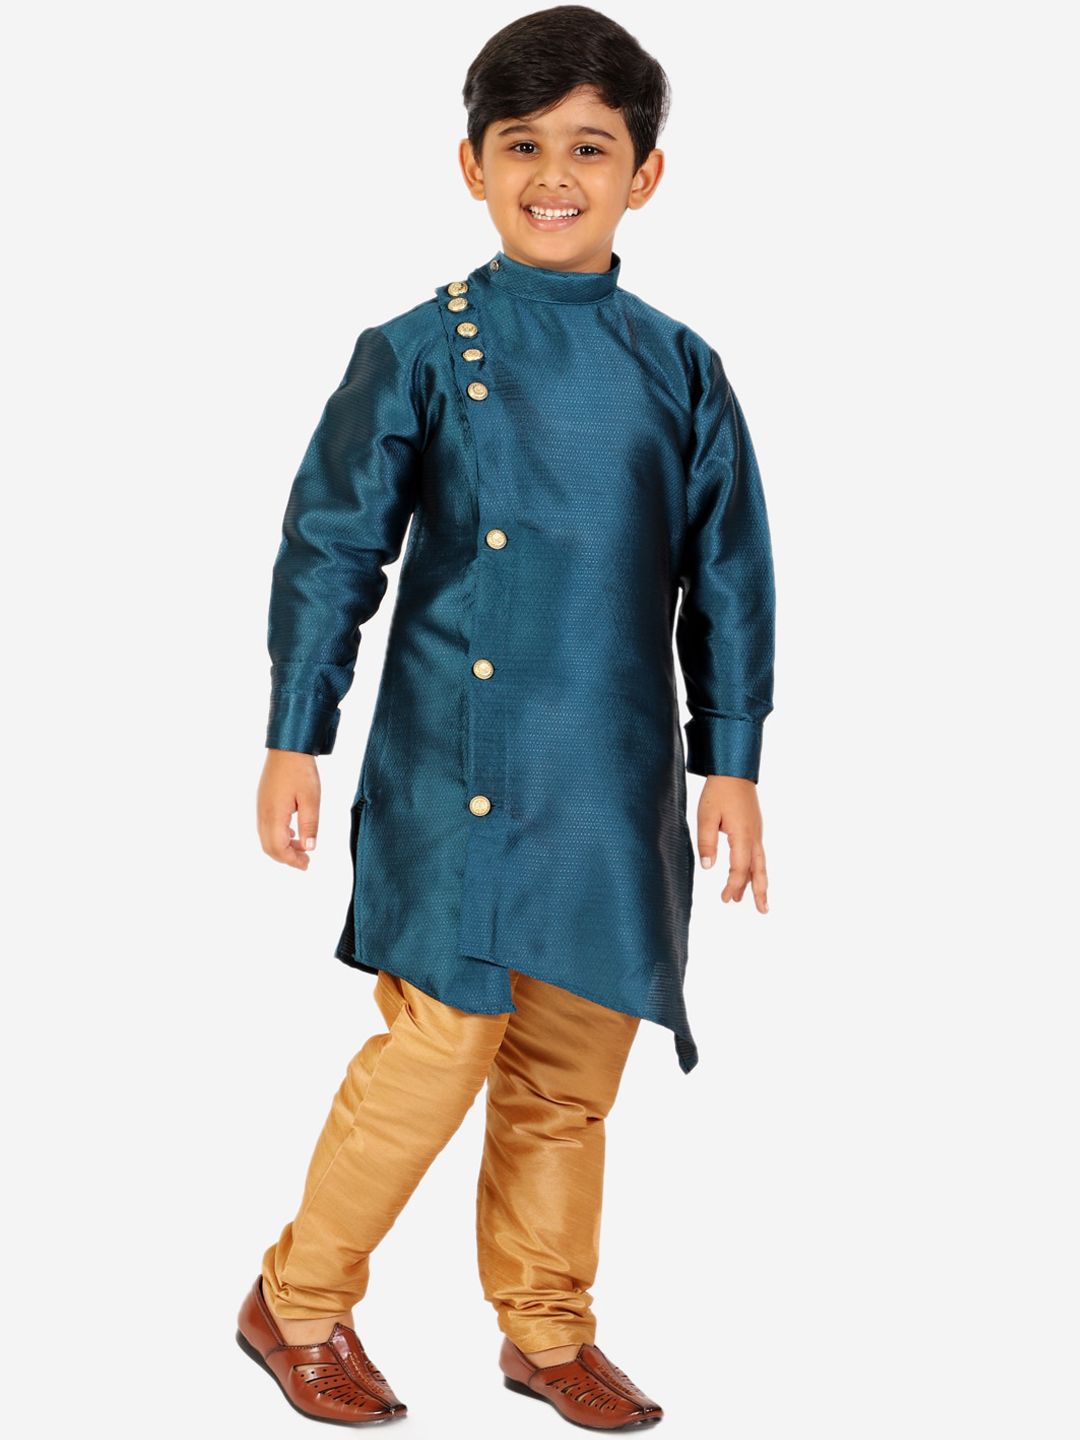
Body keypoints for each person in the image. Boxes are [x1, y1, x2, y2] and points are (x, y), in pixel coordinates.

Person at [236, 4, 776, 1428]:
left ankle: (544, 1328)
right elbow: (331, 550)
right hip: (451, 764)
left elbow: (728, 575)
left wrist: (730, 762)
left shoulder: (682, 366)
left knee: (570, 1069)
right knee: (442, 1042)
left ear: (645, 174)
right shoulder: (417, 348)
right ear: (470, 164)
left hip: (610, 775)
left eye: (590, 147)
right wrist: (295, 733)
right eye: (522, 144)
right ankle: (298, 1301)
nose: (554, 174)